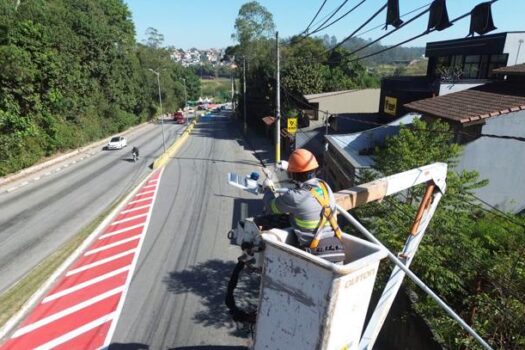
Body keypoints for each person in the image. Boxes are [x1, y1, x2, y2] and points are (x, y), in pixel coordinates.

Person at [260, 149, 345, 264]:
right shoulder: (324, 185)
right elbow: (306, 190)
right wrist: (292, 168)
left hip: (316, 256)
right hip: (337, 251)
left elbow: (271, 207)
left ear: (293, 174)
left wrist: (267, 188)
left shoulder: (294, 197)